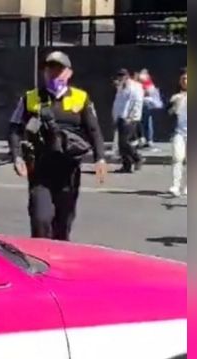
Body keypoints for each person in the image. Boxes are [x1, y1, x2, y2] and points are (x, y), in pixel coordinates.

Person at [8, 51, 107, 241]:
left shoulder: (81, 98)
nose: (54, 73)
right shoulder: (30, 98)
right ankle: (39, 262)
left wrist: (100, 157)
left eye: (59, 69)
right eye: (50, 68)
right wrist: (17, 156)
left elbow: (94, 130)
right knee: (40, 220)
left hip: (68, 171)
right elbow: (14, 128)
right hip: (40, 170)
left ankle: (59, 263)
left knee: (63, 225)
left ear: (69, 73)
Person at [112, 68, 145, 173]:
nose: (120, 78)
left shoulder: (136, 87)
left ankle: (137, 158)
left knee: (125, 142)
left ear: (127, 76)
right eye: (119, 76)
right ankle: (126, 165)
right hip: (120, 117)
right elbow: (118, 102)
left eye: (123, 76)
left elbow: (137, 102)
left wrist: (131, 116)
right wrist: (115, 116)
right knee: (121, 144)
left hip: (130, 118)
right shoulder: (121, 87)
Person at [169, 68, 188, 197]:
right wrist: (174, 105)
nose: (186, 81)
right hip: (179, 132)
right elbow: (168, 113)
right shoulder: (176, 97)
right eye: (183, 79)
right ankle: (176, 185)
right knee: (177, 157)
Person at [138, 68, 164, 148]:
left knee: (147, 122)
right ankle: (143, 139)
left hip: (147, 105)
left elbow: (150, 92)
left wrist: (145, 92)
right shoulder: (138, 83)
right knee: (141, 122)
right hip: (140, 105)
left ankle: (148, 139)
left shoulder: (149, 84)